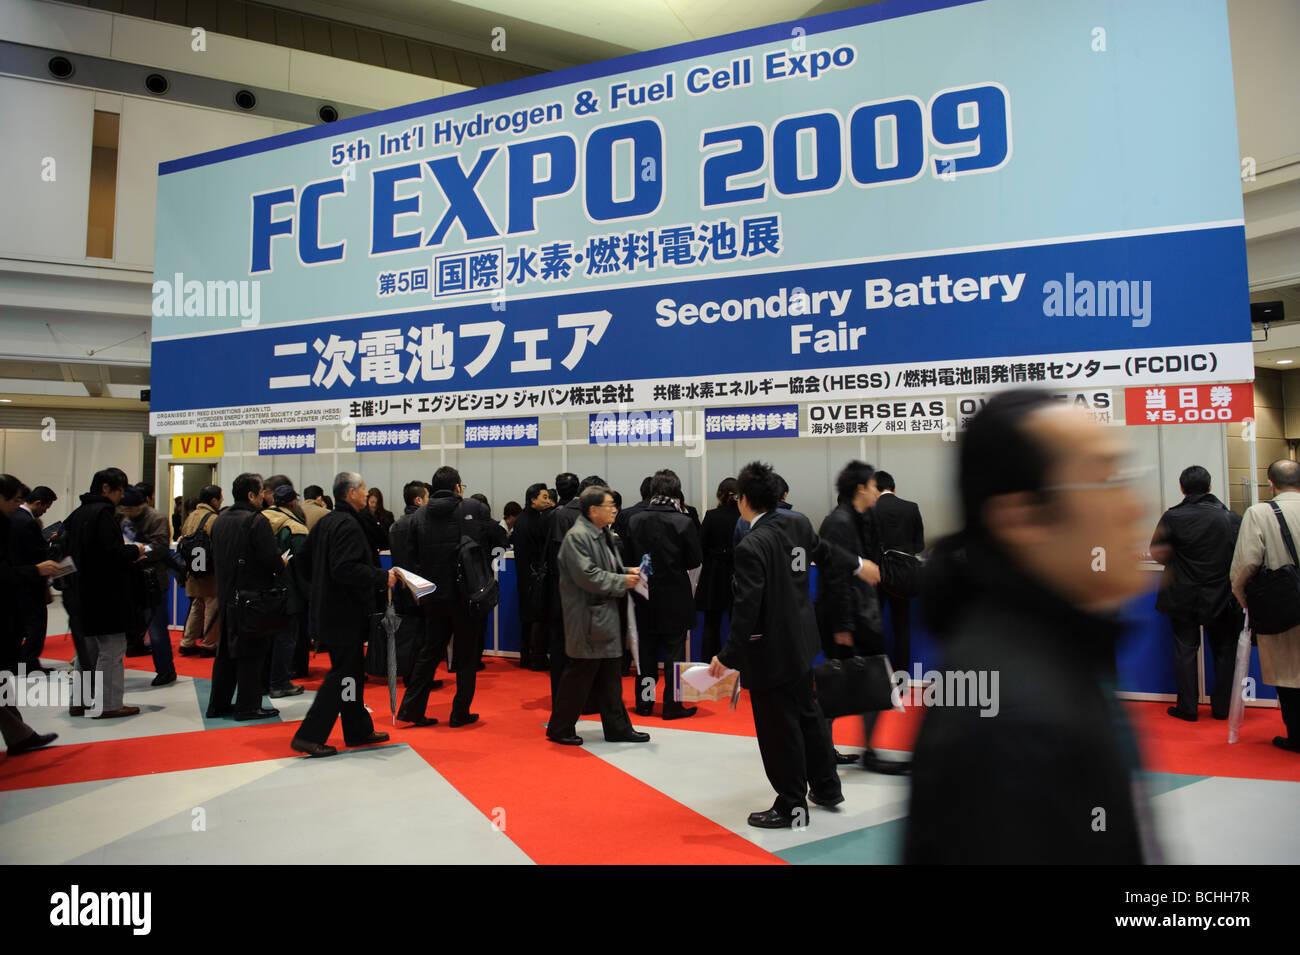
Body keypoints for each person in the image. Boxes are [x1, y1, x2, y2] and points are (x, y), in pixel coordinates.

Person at [903, 390, 1151, 863]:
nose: (1135, 506)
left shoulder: (1063, 653)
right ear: (1021, 517)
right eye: (1107, 479)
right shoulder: (1012, 724)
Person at [707, 461, 880, 829]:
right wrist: (859, 564)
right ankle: (827, 788)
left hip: (771, 653)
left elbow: (747, 606)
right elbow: (826, 552)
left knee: (778, 730)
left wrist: (729, 655)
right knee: (809, 717)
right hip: (803, 643)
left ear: (745, 500)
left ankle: (790, 806)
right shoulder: (797, 523)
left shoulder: (752, 544)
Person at [291, 472, 396, 757]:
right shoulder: (348, 525)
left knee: (350, 673)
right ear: (350, 493)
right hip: (344, 613)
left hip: (329, 609)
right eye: (362, 488)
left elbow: (301, 560)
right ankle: (309, 735)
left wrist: (316, 590)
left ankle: (357, 728)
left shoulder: (326, 522)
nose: (366, 493)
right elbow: (345, 568)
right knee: (342, 675)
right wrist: (380, 576)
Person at [816, 461, 910, 774]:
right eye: (872, 485)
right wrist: (843, 627)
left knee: (870, 680)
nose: (876, 491)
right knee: (836, 684)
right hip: (844, 617)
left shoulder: (862, 518)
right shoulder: (838, 522)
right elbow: (834, 576)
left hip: (862, 612)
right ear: (860, 488)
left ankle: (860, 750)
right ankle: (823, 751)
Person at [546, 485, 649, 746]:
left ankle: (617, 728)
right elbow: (588, 575)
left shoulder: (601, 533)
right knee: (579, 675)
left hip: (603, 617)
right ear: (593, 510)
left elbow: (606, 568)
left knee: (610, 676)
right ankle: (560, 728)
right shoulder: (577, 537)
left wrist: (627, 570)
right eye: (609, 505)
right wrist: (622, 580)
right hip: (587, 618)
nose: (614, 509)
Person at [399, 467, 496, 726]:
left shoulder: (418, 516)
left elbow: (412, 556)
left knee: (429, 653)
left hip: (433, 595)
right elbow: (495, 538)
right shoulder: (474, 508)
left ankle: (411, 709)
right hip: (466, 595)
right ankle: (459, 712)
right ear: (457, 487)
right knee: (466, 656)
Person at [1150, 465, 1242, 721]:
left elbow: (1158, 553)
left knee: (1185, 650)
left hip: (1182, 594)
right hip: (1222, 594)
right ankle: (1222, 708)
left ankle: (1187, 707)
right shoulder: (1230, 518)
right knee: (1224, 650)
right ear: (1210, 486)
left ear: (1182, 488)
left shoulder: (1173, 517)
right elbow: (1244, 555)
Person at [60, 468, 148, 719]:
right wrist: (134, 551)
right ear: (106, 488)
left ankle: (80, 700)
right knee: (111, 650)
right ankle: (109, 704)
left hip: (80, 592)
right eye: (119, 490)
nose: (121, 497)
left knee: (86, 651)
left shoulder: (77, 514)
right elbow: (110, 555)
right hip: (106, 594)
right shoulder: (103, 515)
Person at [1230, 458, 1300, 753]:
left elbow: (1246, 562)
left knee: (1290, 674)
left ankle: (1296, 736)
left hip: (1284, 606)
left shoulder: (1260, 512)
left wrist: (1241, 595)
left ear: (1270, 483)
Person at [626, 469, 703, 719]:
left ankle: (645, 703)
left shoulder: (635, 520)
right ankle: (671, 705)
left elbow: (628, 558)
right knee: (674, 655)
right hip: (675, 597)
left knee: (645, 654)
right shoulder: (684, 521)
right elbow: (694, 560)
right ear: (676, 491)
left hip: (643, 594)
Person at [209, 473, 285, 721]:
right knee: (252, 653)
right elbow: (271, 560)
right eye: (261, 492)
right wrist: (281, 562)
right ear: (252, 495)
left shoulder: (220, 519)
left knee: (226, 653)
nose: (264, 496)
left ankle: (218, 704)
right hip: (252, 596)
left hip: (226, 593)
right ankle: (248, 706)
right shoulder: (255, 521)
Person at [0, 474, 61, 753]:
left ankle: (20, 735)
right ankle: (21, 735)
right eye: (14, 500)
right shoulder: (18, 523)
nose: (17, 505)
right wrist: (35, 571)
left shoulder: (10, 522)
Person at [122, 485, 177, 686]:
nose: (127, 513)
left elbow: (161, 548)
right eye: (124, 509)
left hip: (153, 580)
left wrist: (137, 550)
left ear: (142, 504)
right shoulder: (124, 521)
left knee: (157, 629)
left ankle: (165, 670)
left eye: (131, 509)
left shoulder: (157, 519)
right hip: (131, 579)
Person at [871, 470, 925, 672]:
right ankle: (901, 675)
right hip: (903, 574)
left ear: (874, 489)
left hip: (875, 574)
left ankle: (876, 674)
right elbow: (919, 545)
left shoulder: (870, 510)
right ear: (894, 489)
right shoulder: (911, 508)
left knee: (873, 626)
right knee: (902, 626)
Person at [388, 480, 437, 693]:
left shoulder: (395, 525)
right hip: (421, 587)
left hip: (402, 587)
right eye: (428, 497)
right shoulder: (423, 522)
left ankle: (409, 675)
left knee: (408, 635)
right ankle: (419, 680)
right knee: (424, 638)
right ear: (418, 500)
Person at [262, 484, 309, 698]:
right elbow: (302, 565)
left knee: (267, 637)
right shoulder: (295, 527)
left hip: (262, 590)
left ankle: (264, 680)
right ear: (292, 502)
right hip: (288, 592)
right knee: (286, 638)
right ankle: (280, 682)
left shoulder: (260, 519)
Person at [543, 472, 584, 697]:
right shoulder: (579, 516)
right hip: (574, 591)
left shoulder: (551, 515)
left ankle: (562, 693)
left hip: (556, 589)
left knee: (559, 643)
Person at [12, 484, 57, 673]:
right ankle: (29, 663)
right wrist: (49, 548)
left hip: (19, 580)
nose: (45, 511)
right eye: (45, 507)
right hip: (30, 580)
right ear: (38, 503)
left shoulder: (15, 517)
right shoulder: (26, 521)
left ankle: (19, 661)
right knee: (35, 624)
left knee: (20, 623)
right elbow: (33, 553)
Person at [696, 478, 739, 663]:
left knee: (711, 624)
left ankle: (708, 662)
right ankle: (736, 663)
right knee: (737, 624)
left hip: (713, 575)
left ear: (719, 494)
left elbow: (700, 546)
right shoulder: (744, 517)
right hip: (738, 574)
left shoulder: (712, 515)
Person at [177, 484, 222, 657]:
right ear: (214, 500)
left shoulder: (191, 516)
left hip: (193, 569)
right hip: (209, 571)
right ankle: (209, 644)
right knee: (212, 605)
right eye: (220, 499)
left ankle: (187, 642)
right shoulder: (213, 519)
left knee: (197, 605)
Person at [513, 483, 553, 671]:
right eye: (544, 497)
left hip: (524, 575)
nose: (548, 501)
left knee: (527, 617)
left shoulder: (521, 519)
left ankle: (525, 657)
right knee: (537, 617)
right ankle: (536, 658)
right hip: (535, 576)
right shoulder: (538, 520)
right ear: (533, 500)